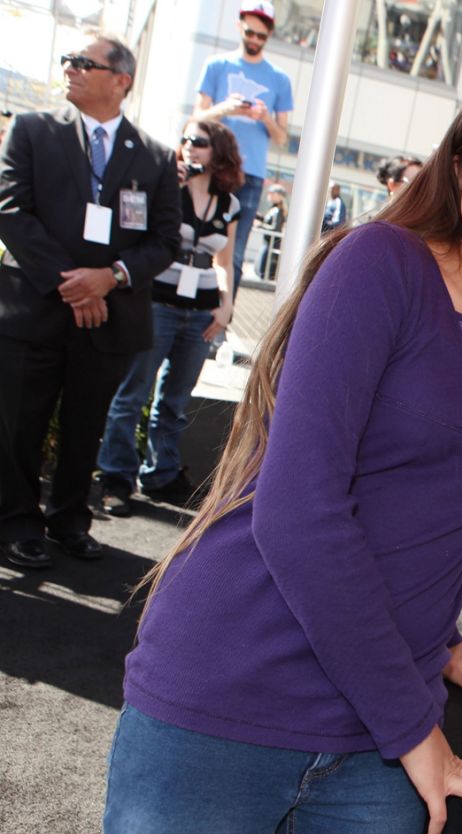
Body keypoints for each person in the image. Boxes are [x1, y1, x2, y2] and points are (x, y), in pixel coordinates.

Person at [99, 61, 462, 834]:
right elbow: (300, 515)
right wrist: (417, 730)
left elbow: (429, 514)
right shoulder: (380, 264)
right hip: (233, 684)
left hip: (379, 723)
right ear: (458, 170)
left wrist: (439, 647)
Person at [0, 34, 181, 569]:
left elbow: (165, 240)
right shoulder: (33, 130)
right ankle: (17, 523)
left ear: (121, 80)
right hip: (34, 309)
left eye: (84, 63)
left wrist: (111, 277)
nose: (70, 70)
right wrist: (74, 282)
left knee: (85, 427)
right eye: (68, 61)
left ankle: (69, 520)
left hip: (109, 316)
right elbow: (11, 211)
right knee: (20, 424)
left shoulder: (153, 156)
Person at [96, 119, 242, 516]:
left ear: (220, 151)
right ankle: (115, 477)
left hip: (202, 311)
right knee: (133, 393)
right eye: (186, 140)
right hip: (155, 303)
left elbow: (224, 260)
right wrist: (165, 184)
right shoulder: (165, 186)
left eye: (200, 141)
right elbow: (135, 233)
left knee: (176, 399)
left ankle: (161, 474)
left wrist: (226, 304)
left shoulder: (229, 202)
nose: (190, 147)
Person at [193, 0, 293, 299]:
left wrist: (265, 117)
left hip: (249, 175)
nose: (254, 40)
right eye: (250, 32)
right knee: (196, 240)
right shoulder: (217, 65)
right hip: (211, 168)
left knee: (233, 253)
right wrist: (226, 108)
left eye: (261, 36)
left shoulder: (279, 79)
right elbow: (197, 116)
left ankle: (221, 319)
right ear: (239, 26)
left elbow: (282, 138)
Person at [255, 182, 286, 279]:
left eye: (272, 193)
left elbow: (275, 229)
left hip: (270, 245)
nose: (269, 195)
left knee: (263, 273)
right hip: (267, 244)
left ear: (279, 196)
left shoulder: (278, 211)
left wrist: (260, 226)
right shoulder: (274, 209)